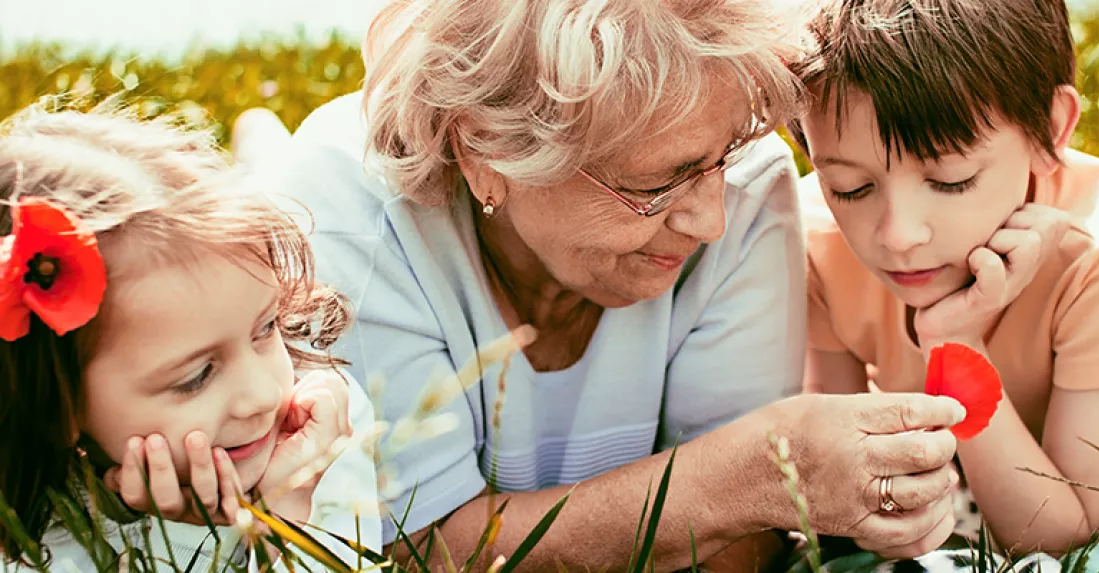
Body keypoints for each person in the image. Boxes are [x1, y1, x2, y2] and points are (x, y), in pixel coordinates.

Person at [262, 0, 966, 569]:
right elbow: (412, 548)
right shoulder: (347, 220)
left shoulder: (748, 186)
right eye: (657, 184)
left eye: (720, 155)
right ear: (484, 152)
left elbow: (734, 552)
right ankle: (257, 143)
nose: (712, 220)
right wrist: (755, 470)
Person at [790, 0, 1099, 555]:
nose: (898, 235)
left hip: (1051, 490)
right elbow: (842, 498)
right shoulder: (814, 239)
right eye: (850, 187)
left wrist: (956, 344)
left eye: (951, 179)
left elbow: (1061, 534)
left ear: (1051, 128)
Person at [0, 103, 381, 571]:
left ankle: (261, 138)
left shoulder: (318, 432)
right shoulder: (33, 546)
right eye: (198, 376)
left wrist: (289, 513)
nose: (264, 394)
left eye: (266, 328)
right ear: (57, 404)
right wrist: (181, 543)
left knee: (269, 167)